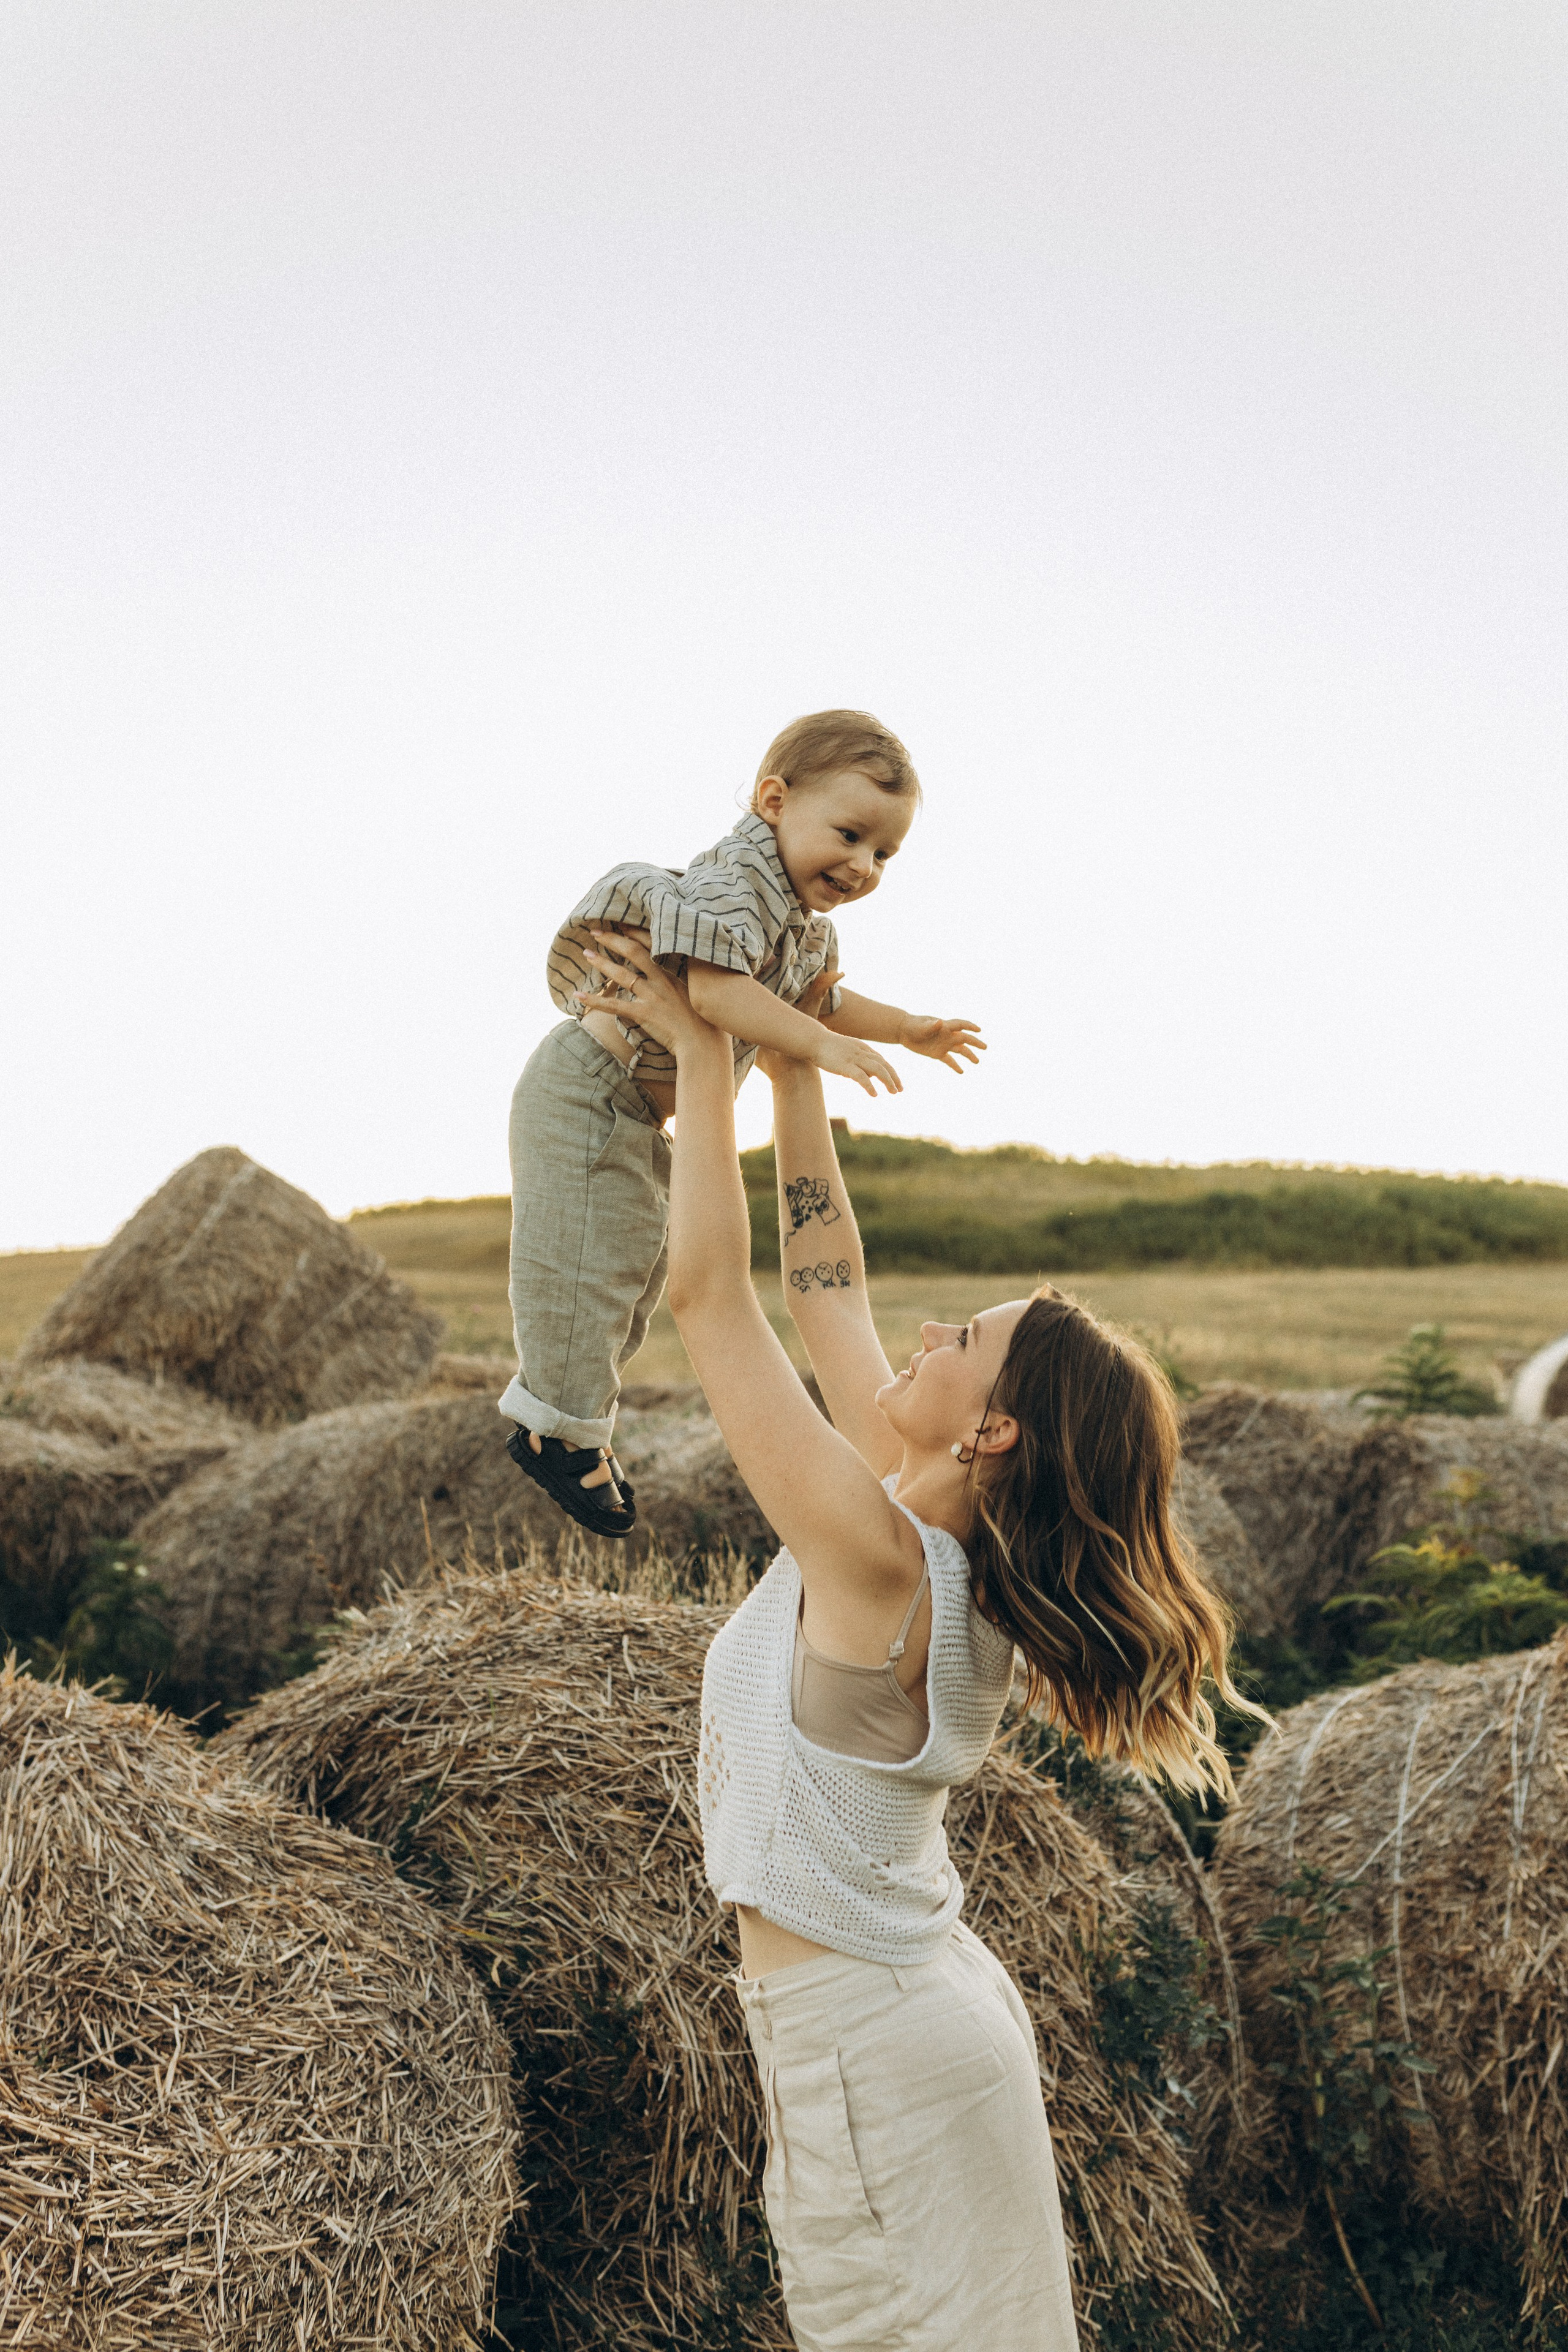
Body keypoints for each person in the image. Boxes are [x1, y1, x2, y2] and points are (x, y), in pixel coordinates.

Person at [571, 927, 1261, 2352]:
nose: (923, 1332)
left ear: (988, 1427)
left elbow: (709, 1298)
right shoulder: (924, 1532)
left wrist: (700, 1056)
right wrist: (796, 1059)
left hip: (871, 2048)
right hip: (910, 2017)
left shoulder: (882, 1559)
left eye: (960, 1337)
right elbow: (821, 1281)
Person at [499, 709, 984, 1538]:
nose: (864, 865)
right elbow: (720, 998)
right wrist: (821, 1048)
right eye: (851, 834)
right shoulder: (733, 887)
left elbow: (816, 994)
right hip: (587, 1089)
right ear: (773, 801)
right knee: (589, 1256)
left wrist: (906, 1027)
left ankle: (582, 1415)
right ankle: (555, 1428)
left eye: (885, 854)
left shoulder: (797, 925)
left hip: (634, 1112)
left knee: (641, 1263)